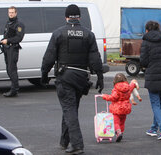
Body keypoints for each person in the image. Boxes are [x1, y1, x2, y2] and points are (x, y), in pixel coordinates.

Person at [41, 4, 104, 154]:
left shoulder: (59, 33)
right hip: (81, 78)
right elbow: (95, 58)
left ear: (66, 17)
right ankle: (64, 141)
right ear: (79, 17)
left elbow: (49, 57)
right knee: (70, 108)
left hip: (65, 77)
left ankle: (77, 144)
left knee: (69, 109)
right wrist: (100, 77)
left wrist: (44, 75)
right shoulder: (88, 34)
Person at [102, 73, 137, 142]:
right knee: (122, 122)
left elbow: (113, 98)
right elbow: (132, 86)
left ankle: (118, 132)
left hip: (116, 109)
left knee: (116, 123)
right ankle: (121, 133)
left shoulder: (116, 89)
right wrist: (134, 83)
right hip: (125, 108)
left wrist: (104, 96)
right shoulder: (128, 87)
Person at [0, 6, 25, 97]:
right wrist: (1, 41)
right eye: (9, 12)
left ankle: (14, 90)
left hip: (13, 49)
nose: (10, 14)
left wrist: (8, 41)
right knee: (8, 69)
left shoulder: (19, 24)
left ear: (16, 13)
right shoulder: (8, 23)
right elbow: (7, 35)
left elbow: (19, 37)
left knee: (12, 69)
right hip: (7, 48)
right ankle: (13, 88)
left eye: (12, 12)